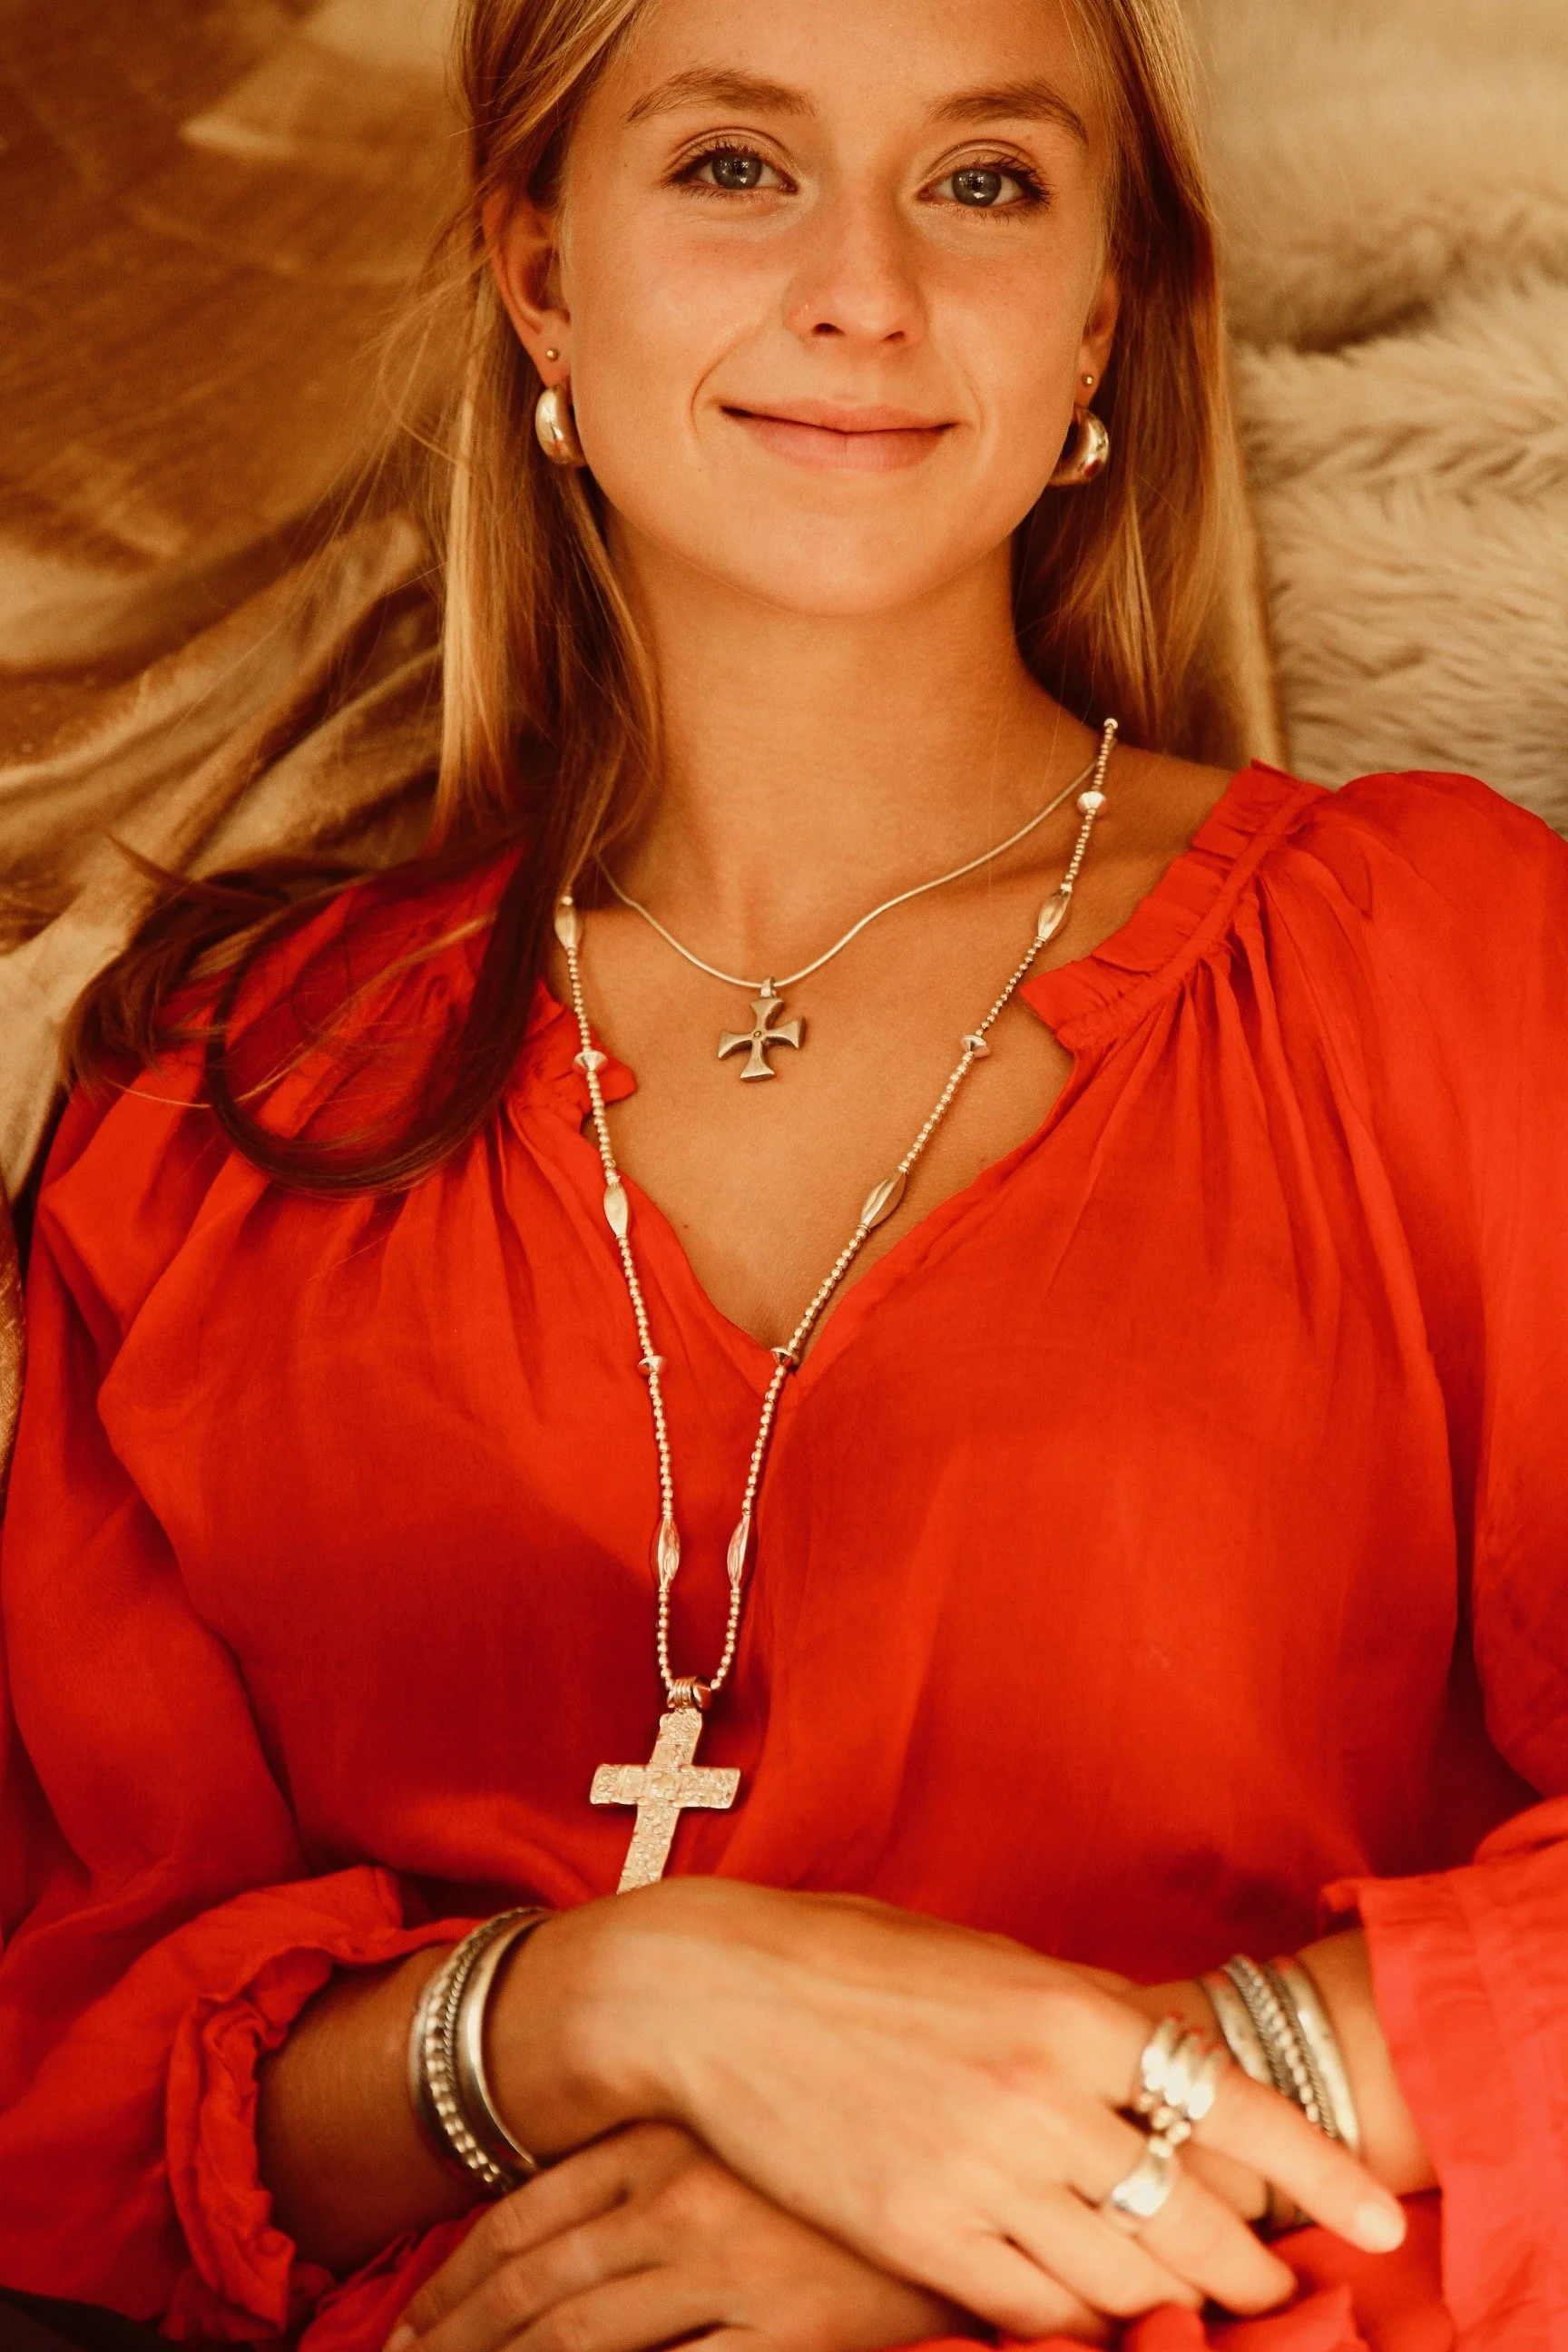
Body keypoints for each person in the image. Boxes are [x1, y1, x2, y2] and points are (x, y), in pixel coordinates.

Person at [1, 0, 1564, 2346]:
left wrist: (1068, 2141)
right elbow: (79, 2093)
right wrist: (619, 2006)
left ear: (1098, 318)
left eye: (985, 180)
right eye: (734, 166)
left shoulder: (1445, 963)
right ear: (541, 274)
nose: (866, 289)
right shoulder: (216, 1113)